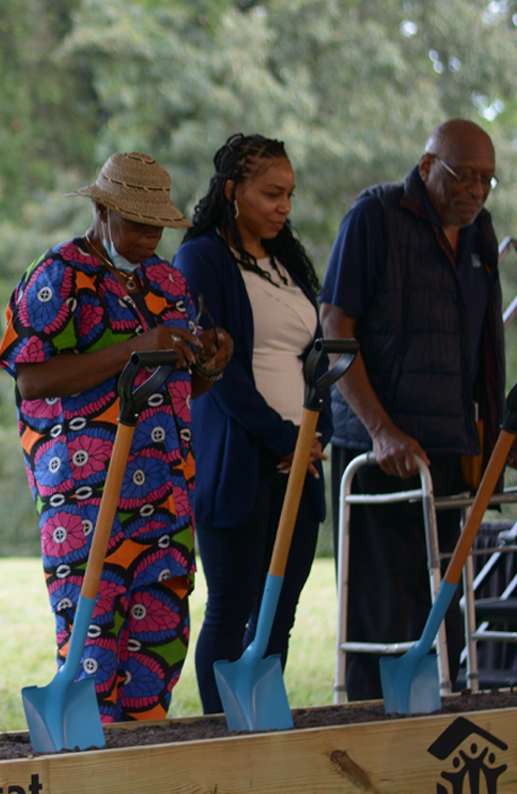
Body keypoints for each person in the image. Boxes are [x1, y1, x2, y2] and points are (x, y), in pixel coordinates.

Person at [0, 152, 232, 723]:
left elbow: (172, 387)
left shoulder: (168, 281)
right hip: (86, 495)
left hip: (165, 495)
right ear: (101, 209)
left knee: (159, 644)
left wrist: (209, 366)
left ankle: (143, 768)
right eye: (136, 222)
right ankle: (89, 769)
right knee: (92, 649)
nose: (151, 235)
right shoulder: (59, 275)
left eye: (158, 224)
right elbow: (31, 381)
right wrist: (134, 345)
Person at [321, 117, 517, 700]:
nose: (475, 190)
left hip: (447, 446)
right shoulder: (375, 217)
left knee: (441, 607)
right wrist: (380, 429)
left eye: (487, 180)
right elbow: (334, 326)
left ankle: (433, 727)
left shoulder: (480, 235)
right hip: (381, 450)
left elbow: (483, 348)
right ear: (426, 167)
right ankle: (372, 733)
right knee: (382, 609)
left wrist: (498, 431)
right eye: (463, 175)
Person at [173, 133, 333, 715]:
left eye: (289, 194)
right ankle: (223, 734)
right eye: (271, 194)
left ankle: (262, 728)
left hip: (300, 460)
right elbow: (221, 369)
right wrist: (284, 437)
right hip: (239, 459)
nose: (283, 207)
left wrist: (318, 435)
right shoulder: (201, 258)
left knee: (279, 614)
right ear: (234, 191)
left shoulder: (285, 261)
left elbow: (319, 357)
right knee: (234, 604)